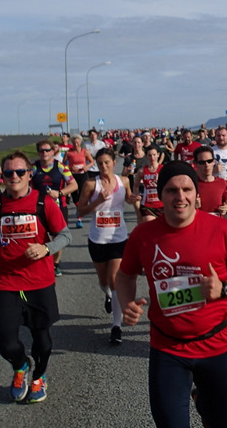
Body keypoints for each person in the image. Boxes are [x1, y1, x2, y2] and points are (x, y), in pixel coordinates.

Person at [115, 161, 227, 428]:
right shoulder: (144, 235)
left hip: (215, 345)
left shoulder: (221, 229)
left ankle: (201, 398)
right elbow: (124, 276)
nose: (180, 197)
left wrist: (224, 287)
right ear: (161, 195)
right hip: (167, 347)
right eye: (171, 190)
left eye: (187, 189)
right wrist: (127, 304)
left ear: (197, 194)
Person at [0, 151, 72, 404]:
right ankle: (20, 365)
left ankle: (39, 376)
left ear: (29, 174)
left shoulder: (43, 203)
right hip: (5, 281)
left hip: (39, 282)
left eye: (20, 172)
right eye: (9, 173)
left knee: (43, 341)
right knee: (5, 340)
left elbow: (65, 235)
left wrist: (46, 248)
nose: (14, 176)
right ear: (1, 177)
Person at [76, 147, 139, 344]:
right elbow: (80, 210)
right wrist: (98, 202)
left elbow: (126, 198)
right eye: (100, 163)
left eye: (107, 162)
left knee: (115, 278)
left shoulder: (124, 181)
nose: (103, 166)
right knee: (104, 282)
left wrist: (132, 199)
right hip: (97, 239)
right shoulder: (90, 184)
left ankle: (116, 326)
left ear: (113, 162)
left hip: (119, 237)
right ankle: (108, 296)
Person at [31, 139, 78, 277]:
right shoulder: (33, 168)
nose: (44, 153)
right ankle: (42, 261)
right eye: (41, 150)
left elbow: (74, 185)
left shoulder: (61, 167)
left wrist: (60, 193)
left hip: (58, 207)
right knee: (40, 236)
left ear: (53, 151)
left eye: (47, 150)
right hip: (38, 208)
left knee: (59, 237)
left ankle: (55, 263)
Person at [63, 134, 94, 229]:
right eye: (74, 143)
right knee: (74, 196)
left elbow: (92, 161)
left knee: (82, 194)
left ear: (80, 142)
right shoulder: (69, 153)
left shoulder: (85, 152)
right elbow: (63, 165)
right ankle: (78, 208)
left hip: (83, 175)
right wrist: (69, 168)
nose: (76, 144)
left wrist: (86, 167)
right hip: (72, 176)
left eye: (77, 142)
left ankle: (79, 218)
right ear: (72, 143)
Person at [194, 145, 227, 216]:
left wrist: (225, 207)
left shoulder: (221, 182)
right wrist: (192, 206)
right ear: (196, 164)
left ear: (213, 162)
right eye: (202, 162)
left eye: (209, 161)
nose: (206, 165)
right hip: (198, 223)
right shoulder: (191, 183)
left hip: (217, 223)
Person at [135, 144, 163, 223]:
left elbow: (170, 185)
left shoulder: (163, 169)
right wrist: (137, 194)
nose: (152, 158)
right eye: (150, 155)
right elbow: (135, 185)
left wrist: (160, 181)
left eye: (154, 155)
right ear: (146, 156)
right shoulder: (141, 171)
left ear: (158, 155)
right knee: (149, 223)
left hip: (162, 205)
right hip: (147, 205)